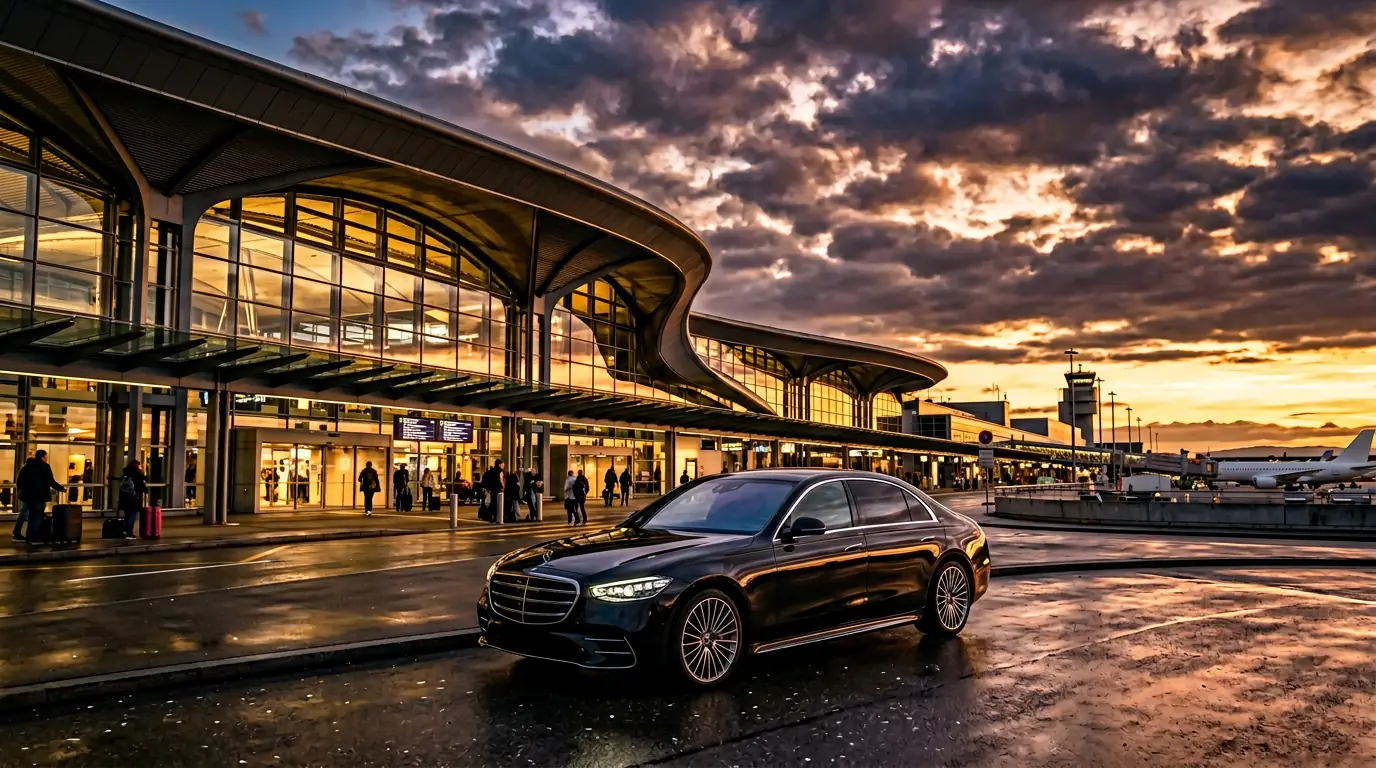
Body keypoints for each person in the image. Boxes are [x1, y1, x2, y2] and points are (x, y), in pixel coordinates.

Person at [15, 449, 63, 542]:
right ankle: (34, 536)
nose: (46, 459)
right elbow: (50, 481)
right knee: (37, 516)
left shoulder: (27, 466)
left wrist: (21, 491)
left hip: (27, 496)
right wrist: (60, 488)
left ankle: (18, 533)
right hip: (39, 496)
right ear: (42, 457)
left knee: (24, 514)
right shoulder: (45, 467)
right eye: (46, 457)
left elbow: (19, 480)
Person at [118, 459, 147, 540]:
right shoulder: (137, 475)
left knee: (127, 515)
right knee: (132, 516)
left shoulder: (126, 474)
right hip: (133, 499)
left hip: (125, 498)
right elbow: (141, 486)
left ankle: (127, 531)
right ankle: (129, 533)